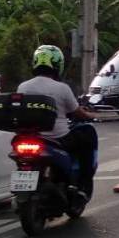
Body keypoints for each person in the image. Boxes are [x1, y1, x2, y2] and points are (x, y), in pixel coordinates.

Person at [17, 45, 100, 195]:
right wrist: (91, 116)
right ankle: (83, 183)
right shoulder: (62, 88)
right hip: (58, 138)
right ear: (57, 65)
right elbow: (77, 112)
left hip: (30, 137)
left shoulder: (23, 86)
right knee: (87, 138)